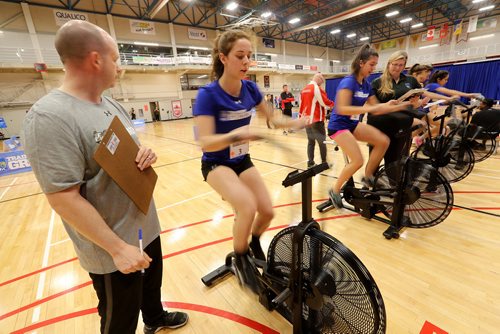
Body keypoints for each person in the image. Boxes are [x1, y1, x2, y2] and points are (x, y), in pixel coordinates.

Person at [22, 20, 188, 334]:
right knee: (119, 319)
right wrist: (116, 248)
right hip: (113, 246)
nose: (119, 67)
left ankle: (154, 319)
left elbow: (127, 151)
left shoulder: (110, 104)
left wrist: (145, 153)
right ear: (96, 60)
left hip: (144, 226)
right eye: (115, 58)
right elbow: (62, 198)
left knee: (151, 289)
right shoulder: (49, 117)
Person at [193, 29, 306, 292]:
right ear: (223, 58)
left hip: (241, 159)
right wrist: (236, 135)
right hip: (216, 163)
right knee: (246, 206)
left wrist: (297, 121)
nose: (246, 62)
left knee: (267, 210)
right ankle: (240, 256)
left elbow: (274, 119)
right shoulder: (207, 95)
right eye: (240, 56)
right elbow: (205, 141)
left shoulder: (251, 89)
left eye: (249, 56)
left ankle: (253, 241)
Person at [327, 45, 410, 208]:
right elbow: (342, 108)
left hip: (352, 124)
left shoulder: (366, 85)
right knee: (357, 160)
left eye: (375, 64)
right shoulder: (348, 82)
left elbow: (378, 108)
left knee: (383, 141)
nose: (374, 68)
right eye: (371, 64)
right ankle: (334, 190)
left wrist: (399, 105)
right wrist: (370, 108)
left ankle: (368, 176)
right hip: (338, 127)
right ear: (361, 63)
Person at [367, 50, 425, 166]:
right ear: (389, 64)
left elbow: (418, 98)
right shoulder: (377, 82)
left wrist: (416, 101)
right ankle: (369, 183)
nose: (397, 68)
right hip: (380, 125)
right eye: (395, 64)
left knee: (395, 160)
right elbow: (373, 106)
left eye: (401, 65)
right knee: (375, 159)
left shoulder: (411, 80)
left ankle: (392, 183)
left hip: (401, 125)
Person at [299, 72, 334, 167]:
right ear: (318, 79)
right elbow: (324, 102)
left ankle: (310, 162)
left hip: (306, 120)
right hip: (316, 120)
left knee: (311, 142)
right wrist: (332, 105)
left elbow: (301, 105)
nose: (321, 85)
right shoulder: (316, 88)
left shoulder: (304, 89)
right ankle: (324, 163)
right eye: (321, 82)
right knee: (322, 142)